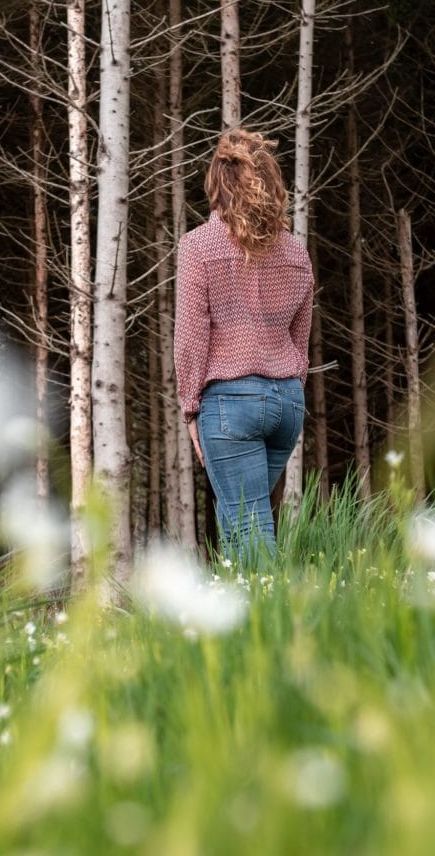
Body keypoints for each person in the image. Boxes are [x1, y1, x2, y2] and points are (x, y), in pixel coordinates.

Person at [174, 129, 314, 562]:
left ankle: (278, 626)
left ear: (215, 185)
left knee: (250, 537)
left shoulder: (199, 246)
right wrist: (289, 388)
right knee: (243, 531)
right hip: (286, 402)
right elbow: (301, 337)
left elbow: (191, 338)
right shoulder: (296, 252)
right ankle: (248, 625)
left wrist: (190, 408)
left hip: (229, 406)